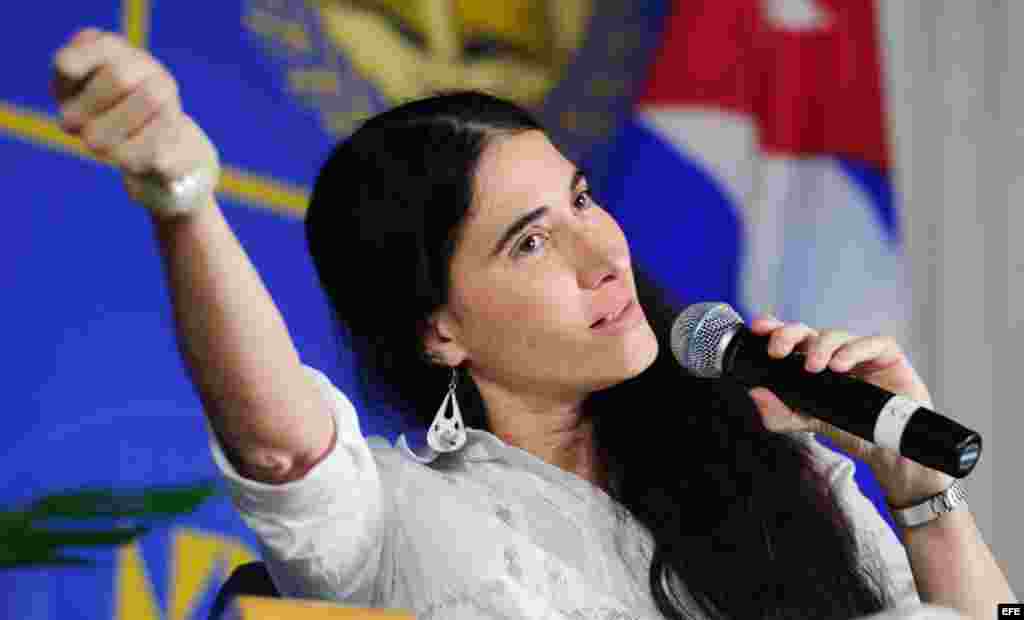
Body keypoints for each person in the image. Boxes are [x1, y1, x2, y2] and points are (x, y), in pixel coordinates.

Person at [51, 28, 1016, 620]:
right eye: (529, 242)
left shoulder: (780, 465)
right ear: (439, 331)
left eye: (584, 199)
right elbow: (276, 442)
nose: (604, 253)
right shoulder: (393, 519)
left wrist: (922, 493)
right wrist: (183, 197)